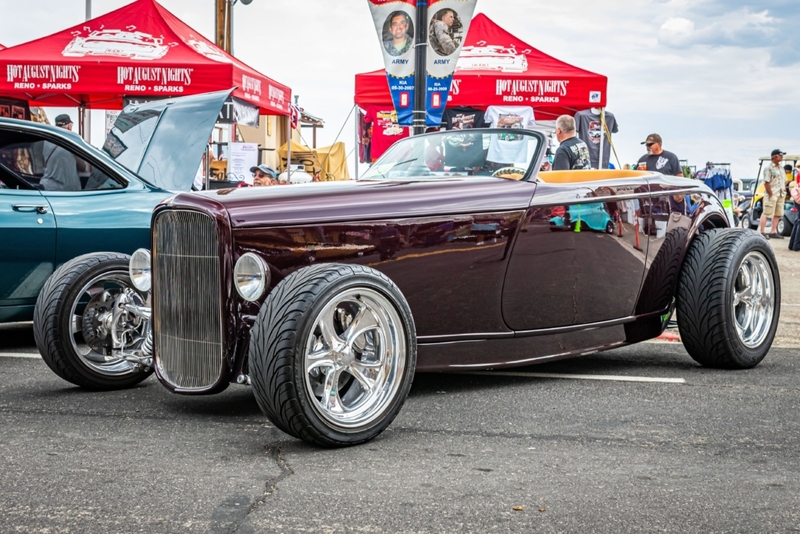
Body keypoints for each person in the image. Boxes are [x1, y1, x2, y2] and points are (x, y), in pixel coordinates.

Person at [40, 114, 81, 191]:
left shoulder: (46, 141)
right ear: (69, 126)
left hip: (47, 187)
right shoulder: (72, 141)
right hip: (67, 190)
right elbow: (83, 167)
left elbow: (43, 161)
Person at [758, 149, 787, 239]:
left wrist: (784, 189)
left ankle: (773, 231)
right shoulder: (769, 168)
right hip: (772, 193)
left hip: (780, 193)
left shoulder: (781, 168)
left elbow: (784, 180)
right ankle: (762, 232)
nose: (782, 157)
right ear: (774, 156)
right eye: (780, 155)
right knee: (767, 212)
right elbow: (766, 182)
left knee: (778, 213)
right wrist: (770, 194)